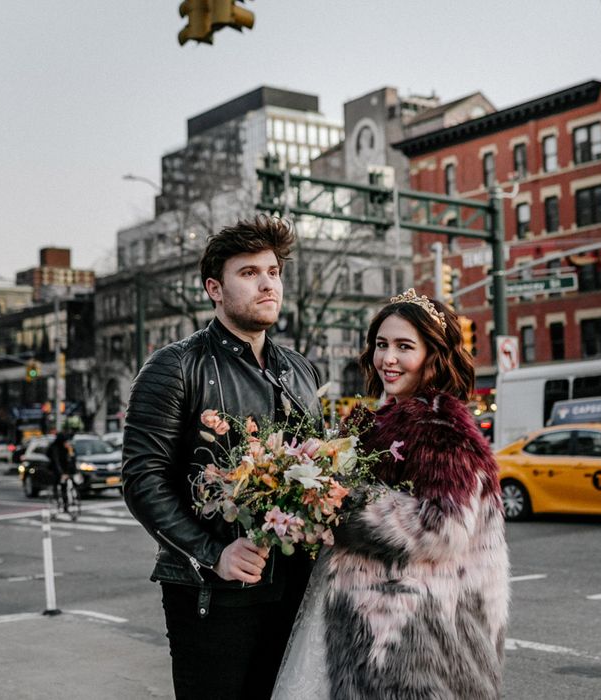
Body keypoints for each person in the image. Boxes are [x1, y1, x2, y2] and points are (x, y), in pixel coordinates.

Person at [122, 215, 323, 700]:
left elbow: (318, 472)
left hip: (296, 589)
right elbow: (141, 479)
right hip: (212, 594)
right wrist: (214, 555)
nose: (267, 283)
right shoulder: (175, 367)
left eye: (273, 271)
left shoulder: (300, 370)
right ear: (215, 288)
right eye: (249, 273)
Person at [273, 289, 510, 700]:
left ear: (433, 355)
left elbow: (443, 526)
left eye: (405, 347)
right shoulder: (375, 420)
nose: (388, 359)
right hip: (373, 624)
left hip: (413, 639)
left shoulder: (438, 423)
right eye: (382, 345)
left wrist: (340, 504)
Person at [47, 432, 76, 512]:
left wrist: (71, 453)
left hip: (65, 470)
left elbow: (72, 460)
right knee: (56, 485)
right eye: (65, 441)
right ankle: (56, 501)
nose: (67, 443)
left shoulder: (67, 448)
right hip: (56, 470)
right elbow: (56, 462)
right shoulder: (54, 448)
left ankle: (65, 505)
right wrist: (61, 474)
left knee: (64, 487)